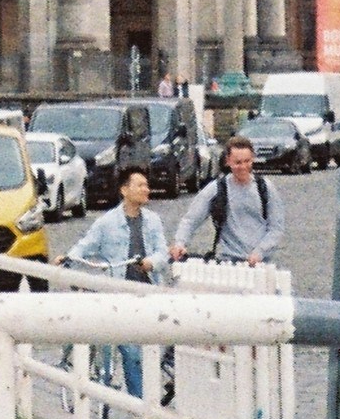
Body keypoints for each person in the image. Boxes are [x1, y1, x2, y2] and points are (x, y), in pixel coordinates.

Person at [64, 168, 167, 398]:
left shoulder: (153, 221)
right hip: (118, 296)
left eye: (146, 185)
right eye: (140, 185)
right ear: (124, 190)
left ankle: (144, 397)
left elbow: (162, 252)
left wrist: (151, 263)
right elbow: (85, 245)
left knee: (151, 350)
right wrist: (68, 258)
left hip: (148, 292)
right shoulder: (106, 222)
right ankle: (140, 403)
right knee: (131, 351)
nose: (146, 189)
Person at [175, 135, 285, 271]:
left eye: (247, 161)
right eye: (238, 162)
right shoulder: (217, 188)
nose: (243, 167)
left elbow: (276, 228)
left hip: (262, 264)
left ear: (253, 159)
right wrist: (180, 243)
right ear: (228, 161)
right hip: (229, 263)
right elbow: (191, 219)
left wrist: (260, 252)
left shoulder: (265, 188)